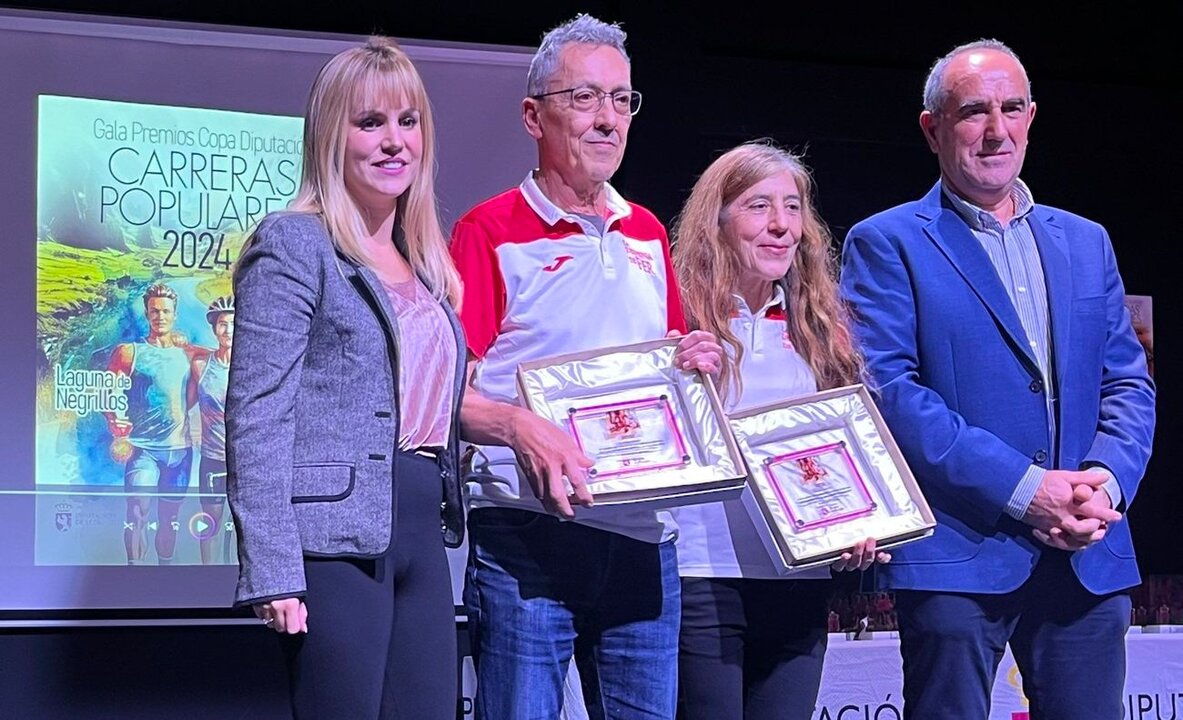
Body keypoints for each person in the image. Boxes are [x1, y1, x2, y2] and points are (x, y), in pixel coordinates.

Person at [838, 39, 1155, 719]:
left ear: (1031, 117)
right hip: (958, 555)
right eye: (973, 112)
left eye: (1011, 109)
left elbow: (1129, 385)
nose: (995, 130)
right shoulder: (885, 241)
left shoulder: (1085, 240)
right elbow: (891, 393)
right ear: (932, 129)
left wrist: (1101, 484)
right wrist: (1024, 490)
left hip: (1087, 555)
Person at [449, 14, 721, 719]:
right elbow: (445, 395)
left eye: (621, 100)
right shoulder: (488, 232)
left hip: (642, 538)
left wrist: (697, 361)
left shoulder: (647, 231)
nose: (607, 120)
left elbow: (668, 370)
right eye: (584, 98)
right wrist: (519, 427)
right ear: (533, 116)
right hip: (526, 535)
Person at [225, 36, 467, 720]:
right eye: (370, 123)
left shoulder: (422, 262)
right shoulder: (295, 244)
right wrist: (271, 568)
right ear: (333, 136)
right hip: (331, 542)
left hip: (420, 532)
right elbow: (257, 415)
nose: (394, 142)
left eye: (407, 121)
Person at [669, 142, 887, 720]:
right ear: (717, 220)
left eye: (792, 208)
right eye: (758, 206)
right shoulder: (676, 317)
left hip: (800, 581)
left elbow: (840, 459)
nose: (780, 226)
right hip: (703, 578)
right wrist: (675, 364)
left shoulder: (822, 328)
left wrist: (857, 525)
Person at [106, 282, 194, 565]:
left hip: (180, 450)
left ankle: (163, 576)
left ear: (175, 315)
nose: (160, 316)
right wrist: (117, 431)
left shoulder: (189, 353)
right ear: (147, 313)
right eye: (154, 311)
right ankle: (136, 576)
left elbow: (219, 358)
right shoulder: (129, 352)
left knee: (169, 520)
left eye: (166, 311)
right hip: (143, 449)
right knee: (137, 514)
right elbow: (107, 394)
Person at [189, 295, 234, 564]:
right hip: (213, 457)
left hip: (246, 460)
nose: (227, 330)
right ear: (214, 328)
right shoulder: (200, 365)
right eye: (222, 324)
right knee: (209, 524)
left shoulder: (252, 365)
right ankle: (207, 577)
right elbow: (184, 403)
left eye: (232, 323)